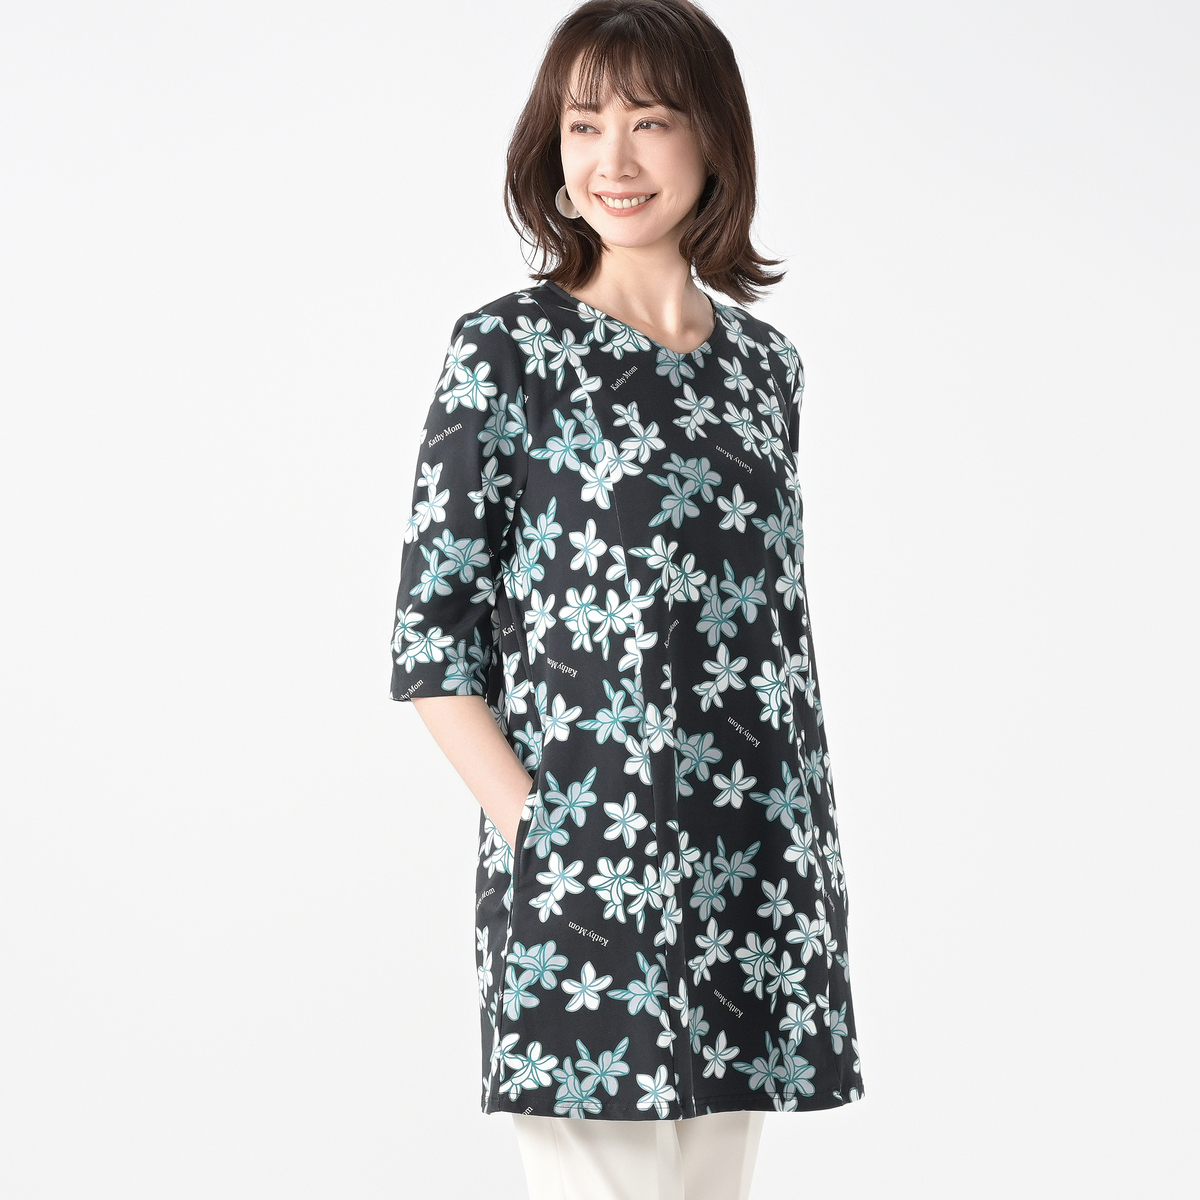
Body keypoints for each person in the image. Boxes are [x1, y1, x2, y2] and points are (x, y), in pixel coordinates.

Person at [388, 1, 865, 1195]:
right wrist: (546, 839)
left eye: (650, 120)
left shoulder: (765, 368)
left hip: (750, 864)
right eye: (584, 123)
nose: (613, 158)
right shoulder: (507, 352)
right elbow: (432, 642)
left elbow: (767, 633)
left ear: (712, 139)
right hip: (589, 887)